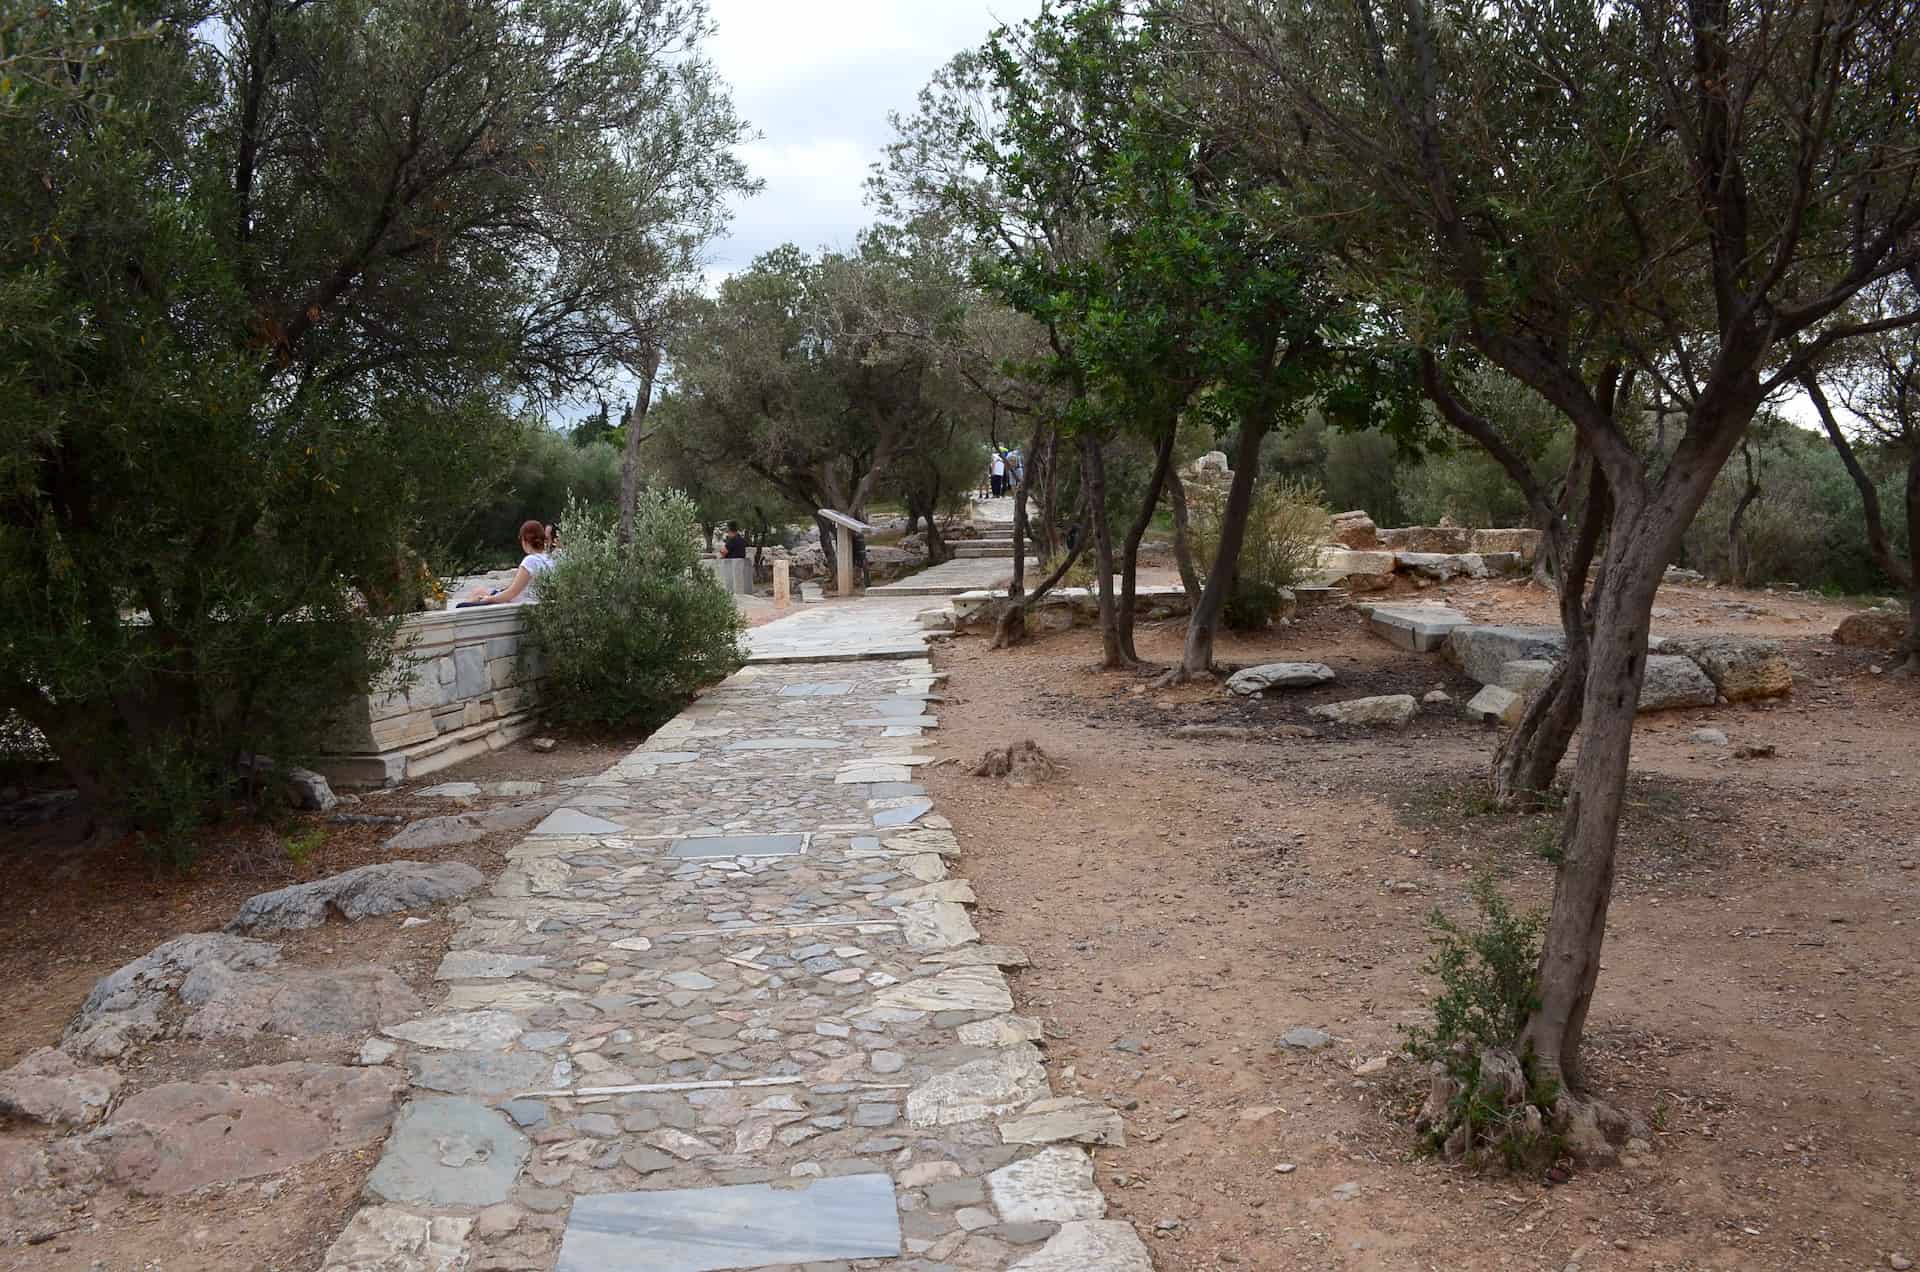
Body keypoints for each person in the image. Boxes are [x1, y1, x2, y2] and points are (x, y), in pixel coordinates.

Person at [459, 520, 554, 606]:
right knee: (482, 592)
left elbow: (512, 593)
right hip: (535, 600)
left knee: (477, 592)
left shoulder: (530, 560)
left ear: (524, 541)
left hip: (521, 603)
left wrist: (490, 599)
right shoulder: (550, 559)